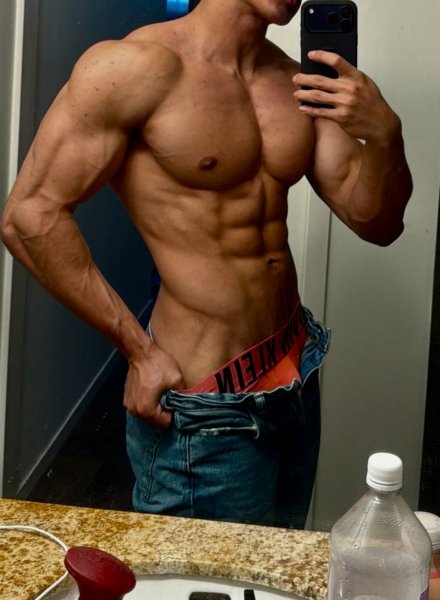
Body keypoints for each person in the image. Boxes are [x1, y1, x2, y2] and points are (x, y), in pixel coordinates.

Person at [1, 0, 412, 528]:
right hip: (207, 408)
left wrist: (385, 134)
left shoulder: (297, 82)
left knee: (273, 568)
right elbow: (30, 216)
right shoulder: (132, 67)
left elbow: (377, 223)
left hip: (295, 375)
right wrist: (139, 352)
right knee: (195, 573)